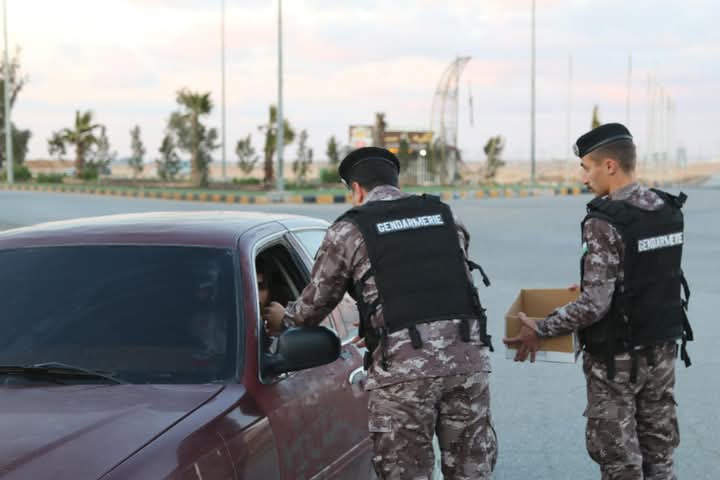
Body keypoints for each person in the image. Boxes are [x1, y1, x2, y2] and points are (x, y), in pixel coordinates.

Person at [263, 147, 497, 479]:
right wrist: (377, 322)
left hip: (404, 372)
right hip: (467, 364)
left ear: (357, 189)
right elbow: (439, 280)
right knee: (471, 472)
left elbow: (315, 304)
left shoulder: (350, 229)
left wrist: (283, 320)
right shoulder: (446, 216)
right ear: (395, 183)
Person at [503, 123, 693, 480]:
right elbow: (647, 276)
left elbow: (595, 304)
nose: (583, 178)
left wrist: (542, 327)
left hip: (616, 359)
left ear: (609, 166)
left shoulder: (603, 220)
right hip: (662, 352)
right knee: (659, 455)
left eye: (586, 168)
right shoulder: (667, 209)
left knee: (620, 461)